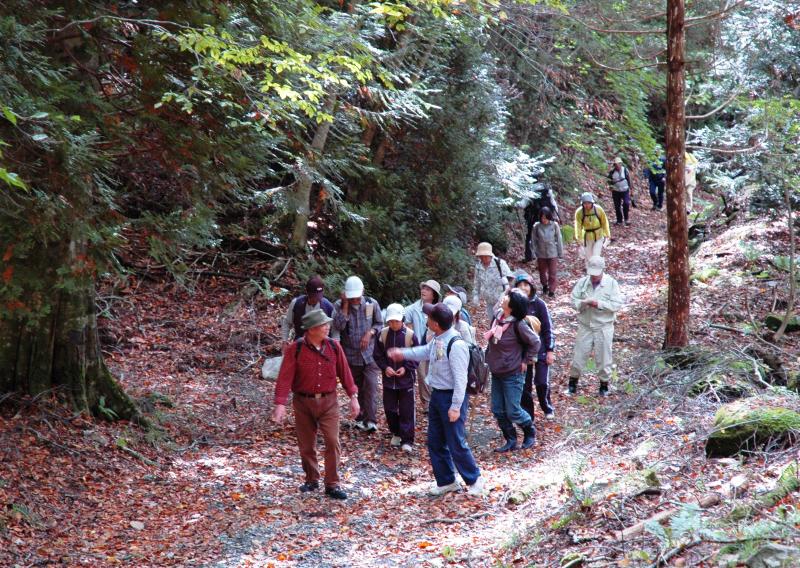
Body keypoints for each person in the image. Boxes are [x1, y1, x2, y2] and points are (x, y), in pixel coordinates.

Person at [387, 303, 485, 496]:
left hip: (451, 397)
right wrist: (402, 353)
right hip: (437, 395)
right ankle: (447, 480)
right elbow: (424, 351)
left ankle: (474, 479)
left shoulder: (456, 345)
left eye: (429, 318)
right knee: (435, 441)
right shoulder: (438, 338)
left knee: (456, 441)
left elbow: (460, 380)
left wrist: (456, 406)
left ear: (437, 324)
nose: (426, 320)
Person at [271, 309, 359, 500]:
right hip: (303, 402)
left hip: (329, 402)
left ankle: (332, 484)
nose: (328, 327)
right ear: (311, 329)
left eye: (328, 324)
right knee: (306, 445)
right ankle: (311, 479)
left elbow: (345, 373)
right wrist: (280, 404)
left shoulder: (334, 347)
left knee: (332, 441)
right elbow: (285, 378)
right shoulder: (296, 349)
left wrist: (353, 396)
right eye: (323, 325)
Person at [485, 290, 541, 452]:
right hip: (496, 370)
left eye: (508, 297)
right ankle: (510, 439)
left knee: (513, 410)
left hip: (513, 372)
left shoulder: (518, 325)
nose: (504, 297)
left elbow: (535, 342)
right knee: (497, 409)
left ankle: (530, 431)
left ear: (512, 306)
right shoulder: (498, 317)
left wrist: (526, 360)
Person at [566, 256, 624, 397]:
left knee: (604, 357)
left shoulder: (611, 284)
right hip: (585, 325)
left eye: (596, 273)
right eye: (592, 273)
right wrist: (583, 303)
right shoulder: (582, 283)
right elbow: (573, 300)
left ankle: (604, 385)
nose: (594, 276)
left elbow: (616, 305)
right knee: (579, 355)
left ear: (603, 270)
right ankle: (572, 383)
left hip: (603, 326)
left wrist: (598, 304)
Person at [332, 275, 383, 432]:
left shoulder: (371, 303)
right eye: (351, 297)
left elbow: (379, 323)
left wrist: (370, 333)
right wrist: (345, 306)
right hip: (351, 355)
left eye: (356, 296)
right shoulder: (339, 305)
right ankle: (361, 418)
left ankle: (371, 420)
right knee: (357, 388)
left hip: (370, 354)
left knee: (371, 387)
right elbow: (339, 326)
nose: (355, 299)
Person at [373, 304, 419, 452]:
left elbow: (417, 355)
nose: (393, 324)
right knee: (390, 409)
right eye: (391, 321)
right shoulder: (383, 334)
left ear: (403, 320)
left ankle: (407, 439)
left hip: (406, 381)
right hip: (389, 381)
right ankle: (396, 432)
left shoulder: (410, 335)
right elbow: (377, 354)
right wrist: (385, 367)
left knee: (406, 410)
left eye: (396, 321)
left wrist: (406, 368)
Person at [513, 273, 556, 421]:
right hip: (523, 352)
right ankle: (528, 415)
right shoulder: (515, 305)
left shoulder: (539, 304)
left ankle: (547, 406)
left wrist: (550, 349)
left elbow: (547, 328)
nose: (524, 288)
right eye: (520, 285)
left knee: (542, 382)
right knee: (525, 385)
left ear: (532, 287)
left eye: (526, 285)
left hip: (541, 349)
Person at [405, 279, 441, 408]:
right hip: (421, 347)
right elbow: (405, 323)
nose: (424, 291)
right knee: (422, 374)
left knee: (437, 372)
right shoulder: (413, 309)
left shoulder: (439, 309)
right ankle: (427, 403)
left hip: (438, 346)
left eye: (428, 289)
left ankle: (436, 400)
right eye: (423, 288)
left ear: (434, 294)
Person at [280, 276, 335, 343]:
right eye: (314, 296)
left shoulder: (328, 307)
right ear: (307, 292)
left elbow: (334, 330)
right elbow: (287, 322)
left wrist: (334, 346)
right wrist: (284, 341)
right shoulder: (296, 303)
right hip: (300, 345)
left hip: (322, 346)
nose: (317, 299)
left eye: (319, 296)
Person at [472, 242, 513, 320]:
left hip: (502, 301)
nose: (483, 258)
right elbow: (476, 283)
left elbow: (511, 279)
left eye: (485, 256)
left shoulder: (500, 263)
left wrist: (505, 285)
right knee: (492, 322)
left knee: (503, 322)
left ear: (490, 254)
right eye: (481, 256)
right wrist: (475, 298)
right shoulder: (478, 266)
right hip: (489, 301)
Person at [521, 181, 560, 263]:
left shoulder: (530, 189)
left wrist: (516, 205)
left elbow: (522, 204)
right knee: (549, 237)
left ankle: (530, 256)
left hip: (534, 218)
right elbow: (553, 204)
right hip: (548, 217)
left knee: (530, 237)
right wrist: (555, 216)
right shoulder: (547, 190)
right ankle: (551, 256)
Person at [530, 206, 563, 297]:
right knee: (542, 272)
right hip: (541, 253)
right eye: (542, 217)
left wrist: (560, 252)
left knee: (552, 272)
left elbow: (559, 239)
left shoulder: (554, 225)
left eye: (545, 217)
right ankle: (544, 285)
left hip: (552, 252)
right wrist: (533, 252)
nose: (544, 219)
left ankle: (552, 290)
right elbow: (533, 240)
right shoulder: (536, 226)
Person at [574, 192, 610, 268]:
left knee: (596, 255)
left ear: (592, 202)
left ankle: (597, 273)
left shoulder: (598, 210)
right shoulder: (579, 212)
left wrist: (607, 235)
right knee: (588, 257)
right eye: (585, 203)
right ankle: (589, 273)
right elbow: (578, 226)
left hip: (598, 236)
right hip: (587, 237)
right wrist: (579, 238)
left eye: (588, 203)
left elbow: (604, 222)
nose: (587, 205)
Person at [607, 157, 632, 226]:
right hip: (616, 191)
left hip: (625, 190)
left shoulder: (625, 170)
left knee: (626, 203)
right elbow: (609, 180)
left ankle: (626, 219)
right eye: (616, 164)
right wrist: (610, 186)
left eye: (618, 164)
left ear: (621, 164)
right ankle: (619, 220)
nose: (617, 165)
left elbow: (629, 180)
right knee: (617, 206)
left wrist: (631, 189)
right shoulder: (612, 172)